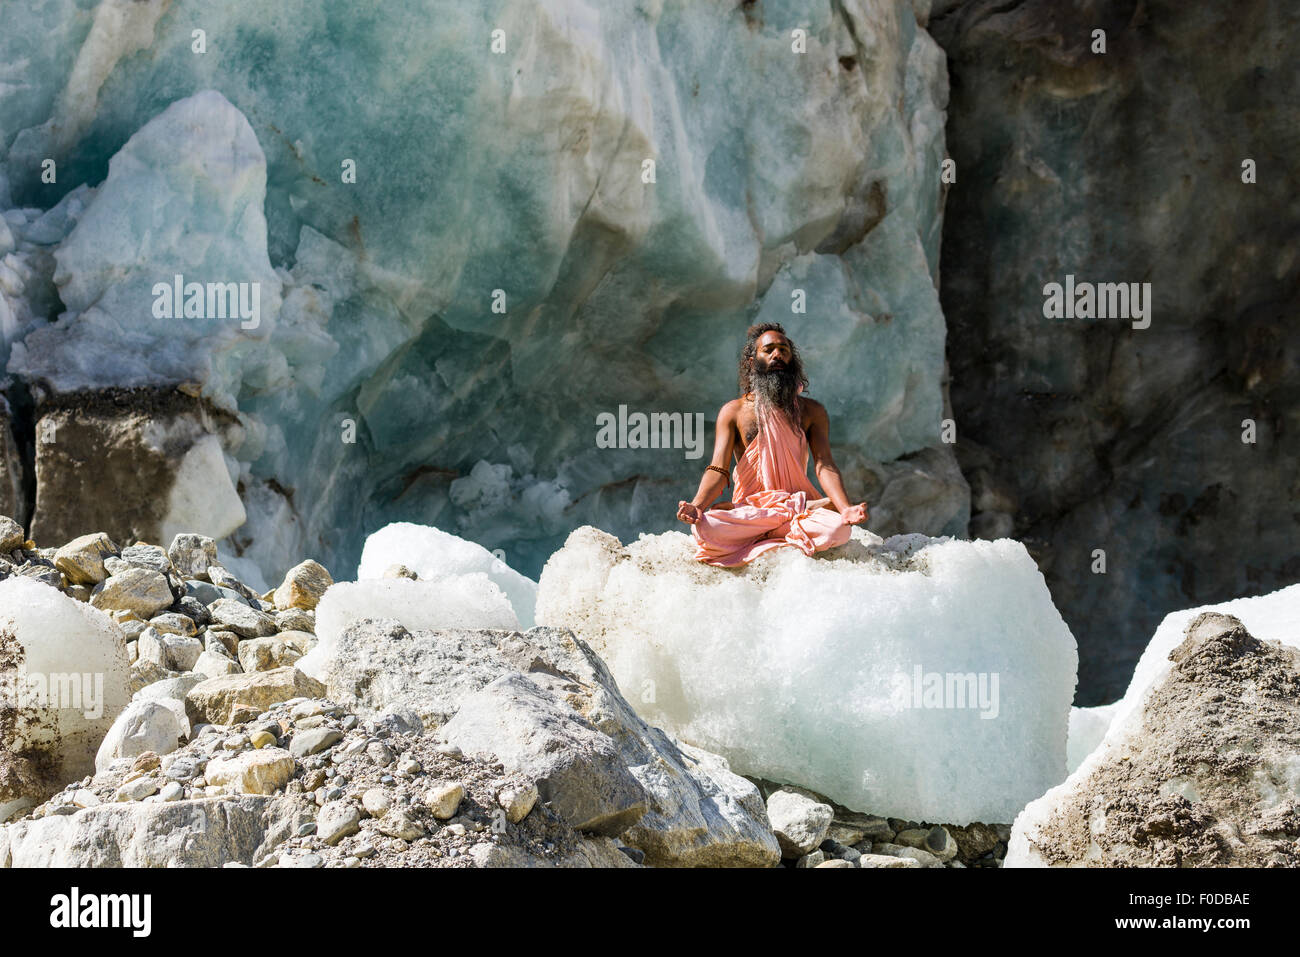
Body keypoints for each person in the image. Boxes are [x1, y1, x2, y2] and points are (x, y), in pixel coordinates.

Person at [677, 323, 868, 566]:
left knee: (839, 530)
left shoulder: (812, 411)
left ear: (792, 360)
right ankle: (782, 527)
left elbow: (825, 465)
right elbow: (718, 469)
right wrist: (697, 505)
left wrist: (845, 507)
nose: (777, 354)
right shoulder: (733, 411)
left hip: (794, 505)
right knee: (706, 527)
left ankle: (764, 532)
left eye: (783, 349)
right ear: (751, 361)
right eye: (768, 350)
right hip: (755, 509)